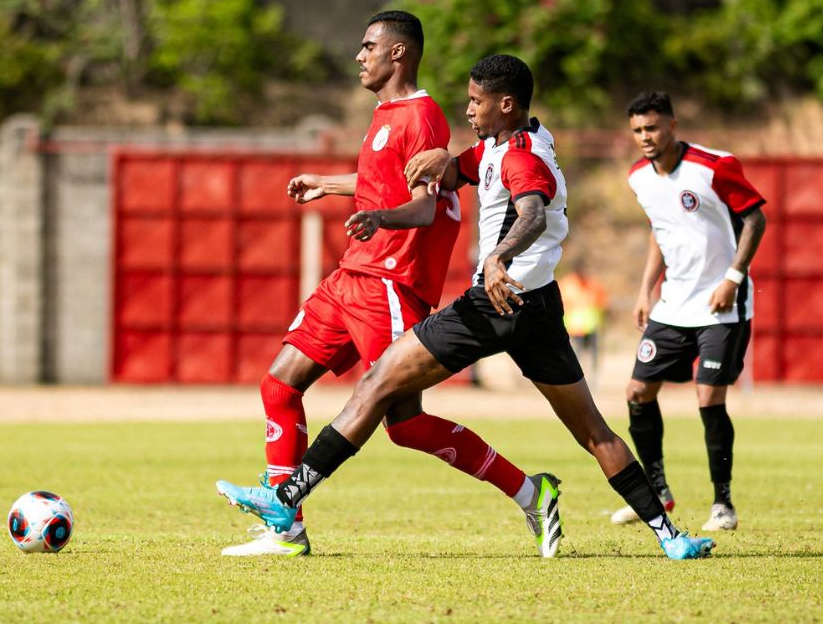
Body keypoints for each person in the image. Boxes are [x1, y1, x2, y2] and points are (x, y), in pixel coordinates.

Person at [216, 55, 716, 560]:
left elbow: (533, 213)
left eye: (477, 101)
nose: (468, 108)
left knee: (377, 384)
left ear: (506, 104)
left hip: (492, 304)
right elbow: (462, 171)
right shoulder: (510, 143)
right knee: (592, 431)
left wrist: (498, 256)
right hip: (538, 306)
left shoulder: (522, 157)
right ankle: (670, 538)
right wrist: (442, 164)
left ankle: (286, 499)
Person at [221, 13, 545, 557]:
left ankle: (528, 490)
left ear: (398, 54)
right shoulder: (385, 116)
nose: (359, 56)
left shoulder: (422, 118)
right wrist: (326, 184)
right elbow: (381, 182)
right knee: (278, 385)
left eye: (368, 46)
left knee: (404, 423)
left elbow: (424, 206)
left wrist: (380, 220)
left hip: (391, 284)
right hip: (352, 274)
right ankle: (287, 526)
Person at [609, 91, 767, 533]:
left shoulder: (714, 166)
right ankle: (658, 492)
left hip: (722, 306)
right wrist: (645, 290)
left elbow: (755, 220)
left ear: (673, 127)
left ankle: (723, 504)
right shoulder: (639, 177)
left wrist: (732, 279)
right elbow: (660, 231)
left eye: (653, 128)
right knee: (638, 392)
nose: (645, 136)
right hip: (673, 305)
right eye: (638, 130)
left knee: (708, 397)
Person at [558, 263, 608, 390]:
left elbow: (602, 303)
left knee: (593, 356)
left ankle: (593, 381)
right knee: (576, 356)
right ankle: (576, 381)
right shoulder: (566, 285)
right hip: (574, 328)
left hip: (592, 326)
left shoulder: (593, 285)